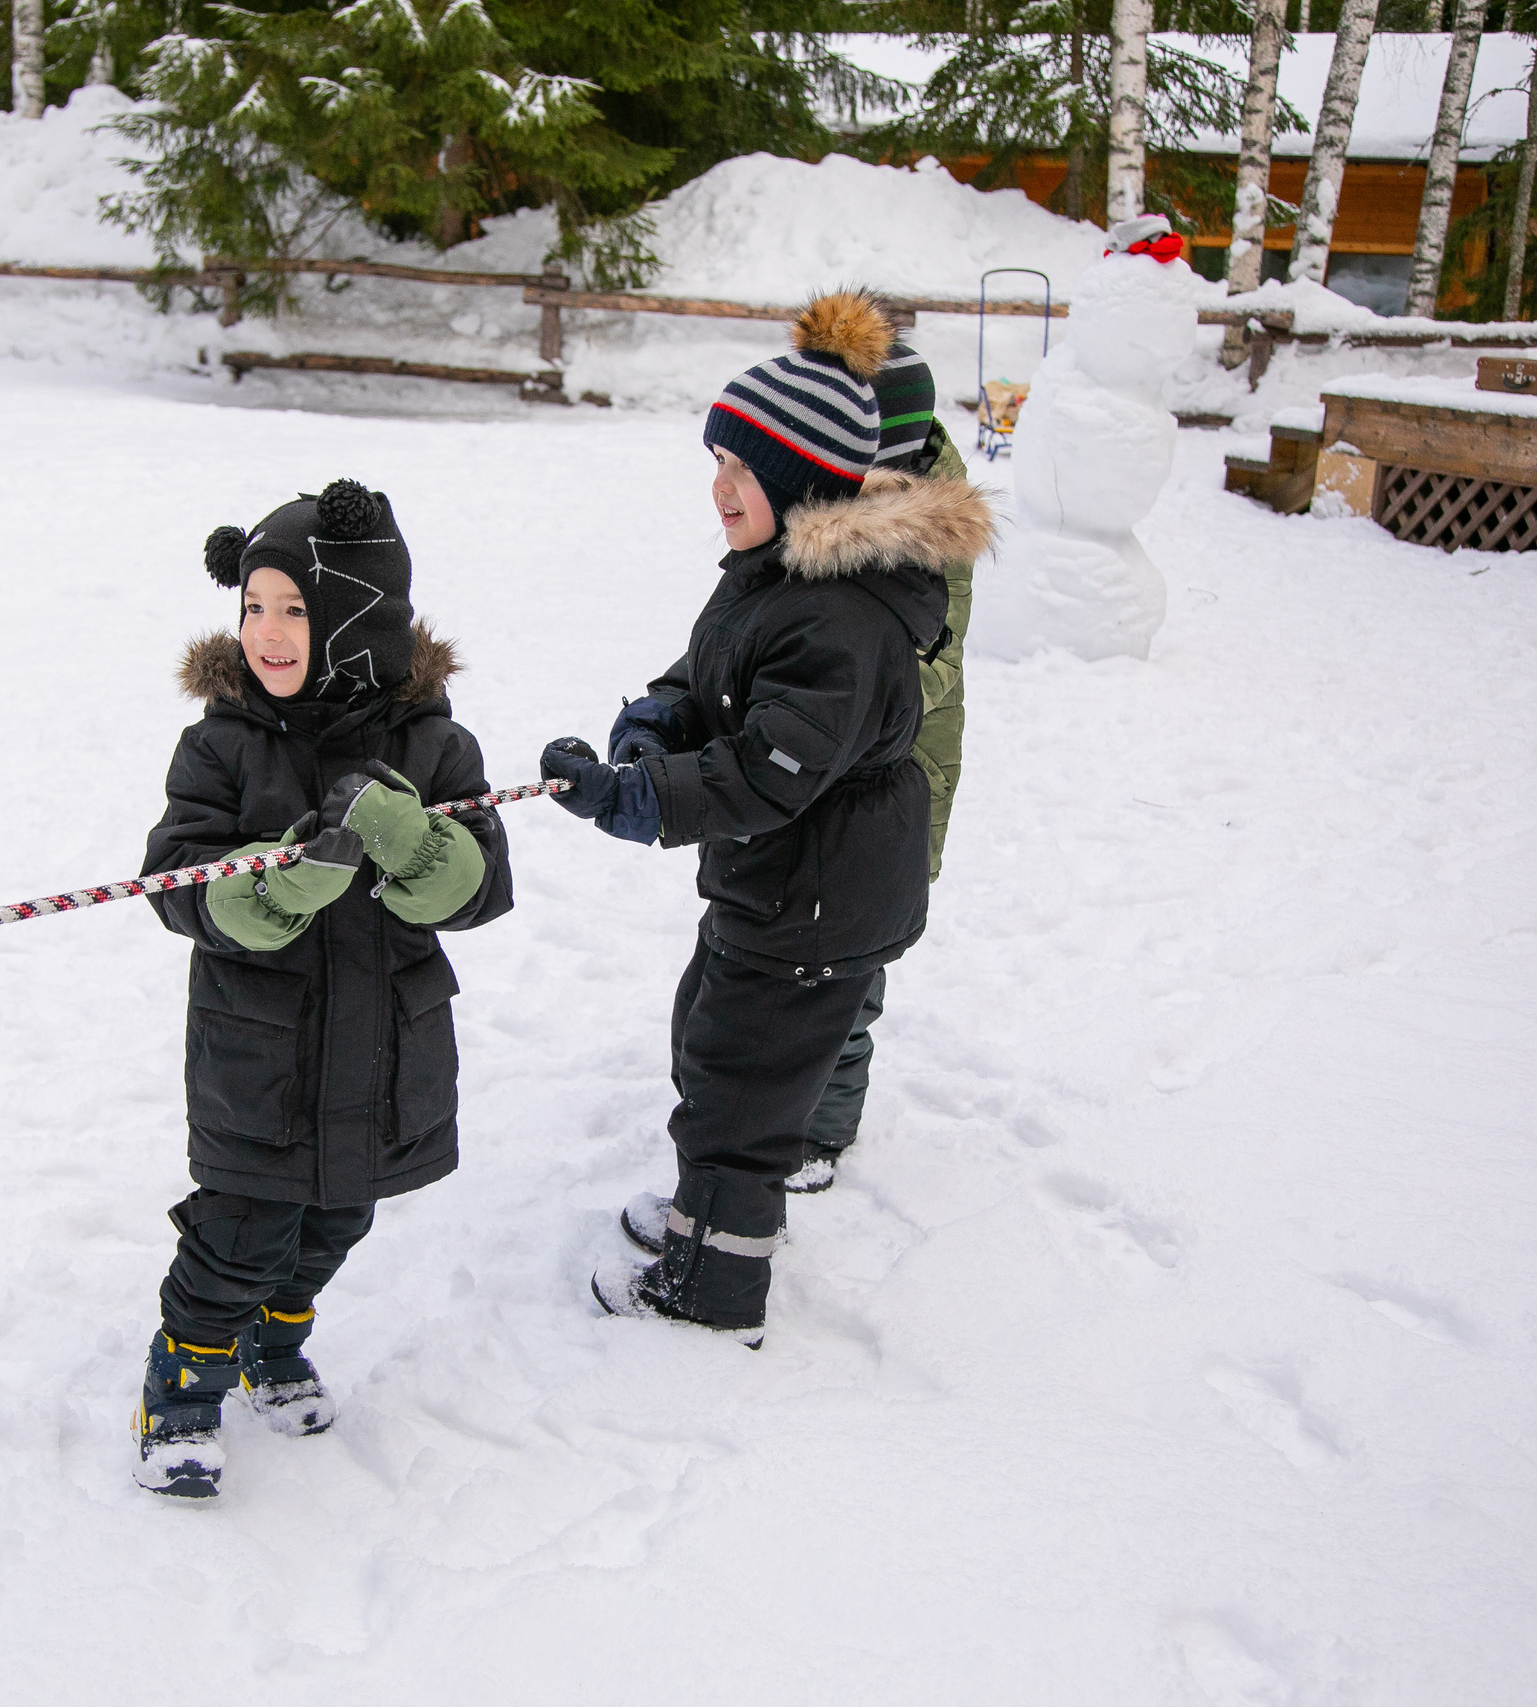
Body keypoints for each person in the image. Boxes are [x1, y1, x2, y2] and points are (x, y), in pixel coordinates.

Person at [541, 292, 993, 1345]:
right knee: (710, 1049)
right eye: (717, 460)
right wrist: (658, 717)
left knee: (739, 1099)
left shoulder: (838, 618)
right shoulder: (773, 576)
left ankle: (714, 1289)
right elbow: (720, 676)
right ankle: (705, 1221)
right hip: (779, 886)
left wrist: (640, 798)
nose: (717, 486)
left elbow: (769, 767)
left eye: (739, 470)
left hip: (815, 900)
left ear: (797, 484)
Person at [134, 477, 514, 1499]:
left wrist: (416, 841)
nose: (266, 630)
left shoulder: (435, 743)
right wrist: (263, 887)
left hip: (385, 1041)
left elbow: (484, 887)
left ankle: (278, 1332)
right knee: (241, 1228)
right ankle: (183, 1378)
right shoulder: (221, 742)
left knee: (341, 1215)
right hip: (260, 1045)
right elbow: (174, 879)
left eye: (293, 607)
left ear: (357, 612)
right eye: (252, 605)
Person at [611, 326, 983, 1198]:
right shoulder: (806, 536)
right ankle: (769, 1115)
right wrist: (673, 707)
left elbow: (866, 687)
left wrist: (764, 739)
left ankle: (815, 1128)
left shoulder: (893, 551)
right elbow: (735, 641)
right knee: (765, 980)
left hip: (878, 792)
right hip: (803, 800)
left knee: (839, 984)